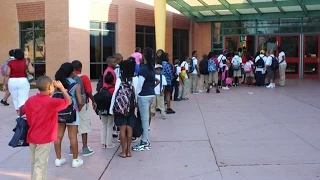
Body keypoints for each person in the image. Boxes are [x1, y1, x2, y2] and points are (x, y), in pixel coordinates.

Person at [22, 76, 72, 180]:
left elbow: (20, 111)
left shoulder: (30, 100)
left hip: (32, 136)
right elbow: (69, 101)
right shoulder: (52, 102)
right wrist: (62, 88)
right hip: (44, 138)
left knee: (34, 163)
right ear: (50, 87)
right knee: (40, 165)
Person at [54, 62, 84, 168]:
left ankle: (58, 159)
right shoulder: (75, 85)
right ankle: (75, 160)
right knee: (73, 137)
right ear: (72, 72)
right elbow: (80, 101)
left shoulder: (56, 84)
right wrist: (78, 109)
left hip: (59, 112)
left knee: (58, 136)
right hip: (72, 112)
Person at [109, 59, 139, 157]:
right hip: (130, 107)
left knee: (122, 128)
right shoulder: (135, 79)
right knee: (129, 128)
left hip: (121, 107)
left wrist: (111, 109)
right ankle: (129, 151)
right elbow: (136, 93)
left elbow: (115, 94)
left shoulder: (119, 79)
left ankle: (123, 151)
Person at [132, 47, 156, 152]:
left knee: (144, 119)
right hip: (151, 95)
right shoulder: (152, 68)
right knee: (145, 119)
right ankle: (144, 140)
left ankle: (145, 141)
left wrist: (136, 99)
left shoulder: (144, 69)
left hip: (144, 96)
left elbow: (139, 86)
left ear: (144, 55)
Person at [71, 60, 97, 156]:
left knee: (73, 127)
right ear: (80, 68)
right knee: (84, 126)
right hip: (82, 105)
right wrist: (94, 101)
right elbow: (89, 92)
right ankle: (85, 148)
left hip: (72, 106)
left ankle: (72, 148)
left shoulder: (69, 78)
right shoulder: (84, 78)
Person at [3, 49, 34, 114]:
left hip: (12, 81)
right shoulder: (26, 61)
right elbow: (32, 71)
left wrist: (4, 85)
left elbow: (7, 74)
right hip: (23, 81)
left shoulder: (10, 63)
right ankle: (21, 115)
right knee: (23, 99)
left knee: (15, 99)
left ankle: (19, 114)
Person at [100, 71, 116, 149]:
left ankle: (103, 143)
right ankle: (108, 143)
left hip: (102, 110)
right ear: (113, 80)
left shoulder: (102, 88)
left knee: (103, 125)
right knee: (110, 126)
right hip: (110, 110)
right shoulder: (113, 89)